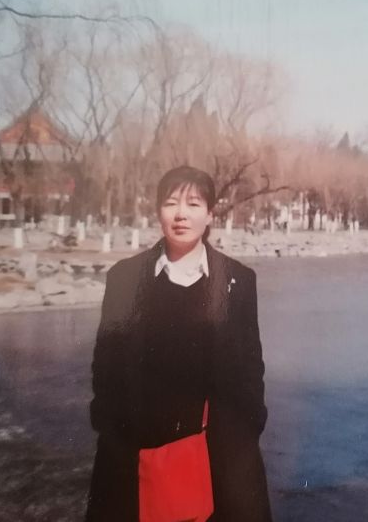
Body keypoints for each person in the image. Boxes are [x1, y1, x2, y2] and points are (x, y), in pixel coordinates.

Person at [86, 166, 272, 522]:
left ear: (210, 214)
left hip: (221, 456)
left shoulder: (238, 280)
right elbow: (105, 363)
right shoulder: (125, 278)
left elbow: (251, 366)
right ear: (158, 211)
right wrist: (112, 427)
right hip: (137, 452)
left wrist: (248, 428)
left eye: (193, 204)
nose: (181, 214)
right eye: (171, 203)